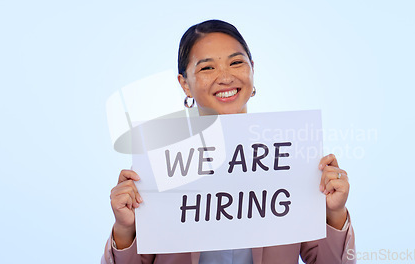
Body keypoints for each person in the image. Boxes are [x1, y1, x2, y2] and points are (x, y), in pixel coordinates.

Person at [102, 19, 355, 264]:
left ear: (252, 70)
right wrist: (126, 230)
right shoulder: (160, 161)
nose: (225, 77)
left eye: (236, 63)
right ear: (185, 85)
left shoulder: (290, 155)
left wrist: (334, 214)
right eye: (207, 67)